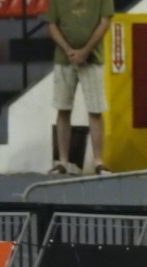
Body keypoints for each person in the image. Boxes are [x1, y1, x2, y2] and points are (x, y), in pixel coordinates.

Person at [46, 0, 114, 176]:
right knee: (63, 108)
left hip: (93, 59)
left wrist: (85, 51)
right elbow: (52, 24)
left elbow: (105, 21)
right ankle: (62, 162)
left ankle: (99, 161)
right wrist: (69, 50)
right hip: (63, 59)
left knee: (95, 110)